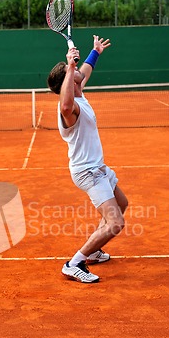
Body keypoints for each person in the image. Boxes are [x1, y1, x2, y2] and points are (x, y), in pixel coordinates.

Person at [47, 35, 128, 284]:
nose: (78, 70)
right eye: (72, 70)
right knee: (116, 222)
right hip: (87, 172)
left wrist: (95, 52)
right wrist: (69, 67)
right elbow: (65, 104)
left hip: (98, 167)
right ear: (68, 83)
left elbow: (85, 71)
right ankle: (75, 262)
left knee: (122, 204)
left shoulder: (79, 92)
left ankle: (93, 250)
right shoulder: (70, 110)